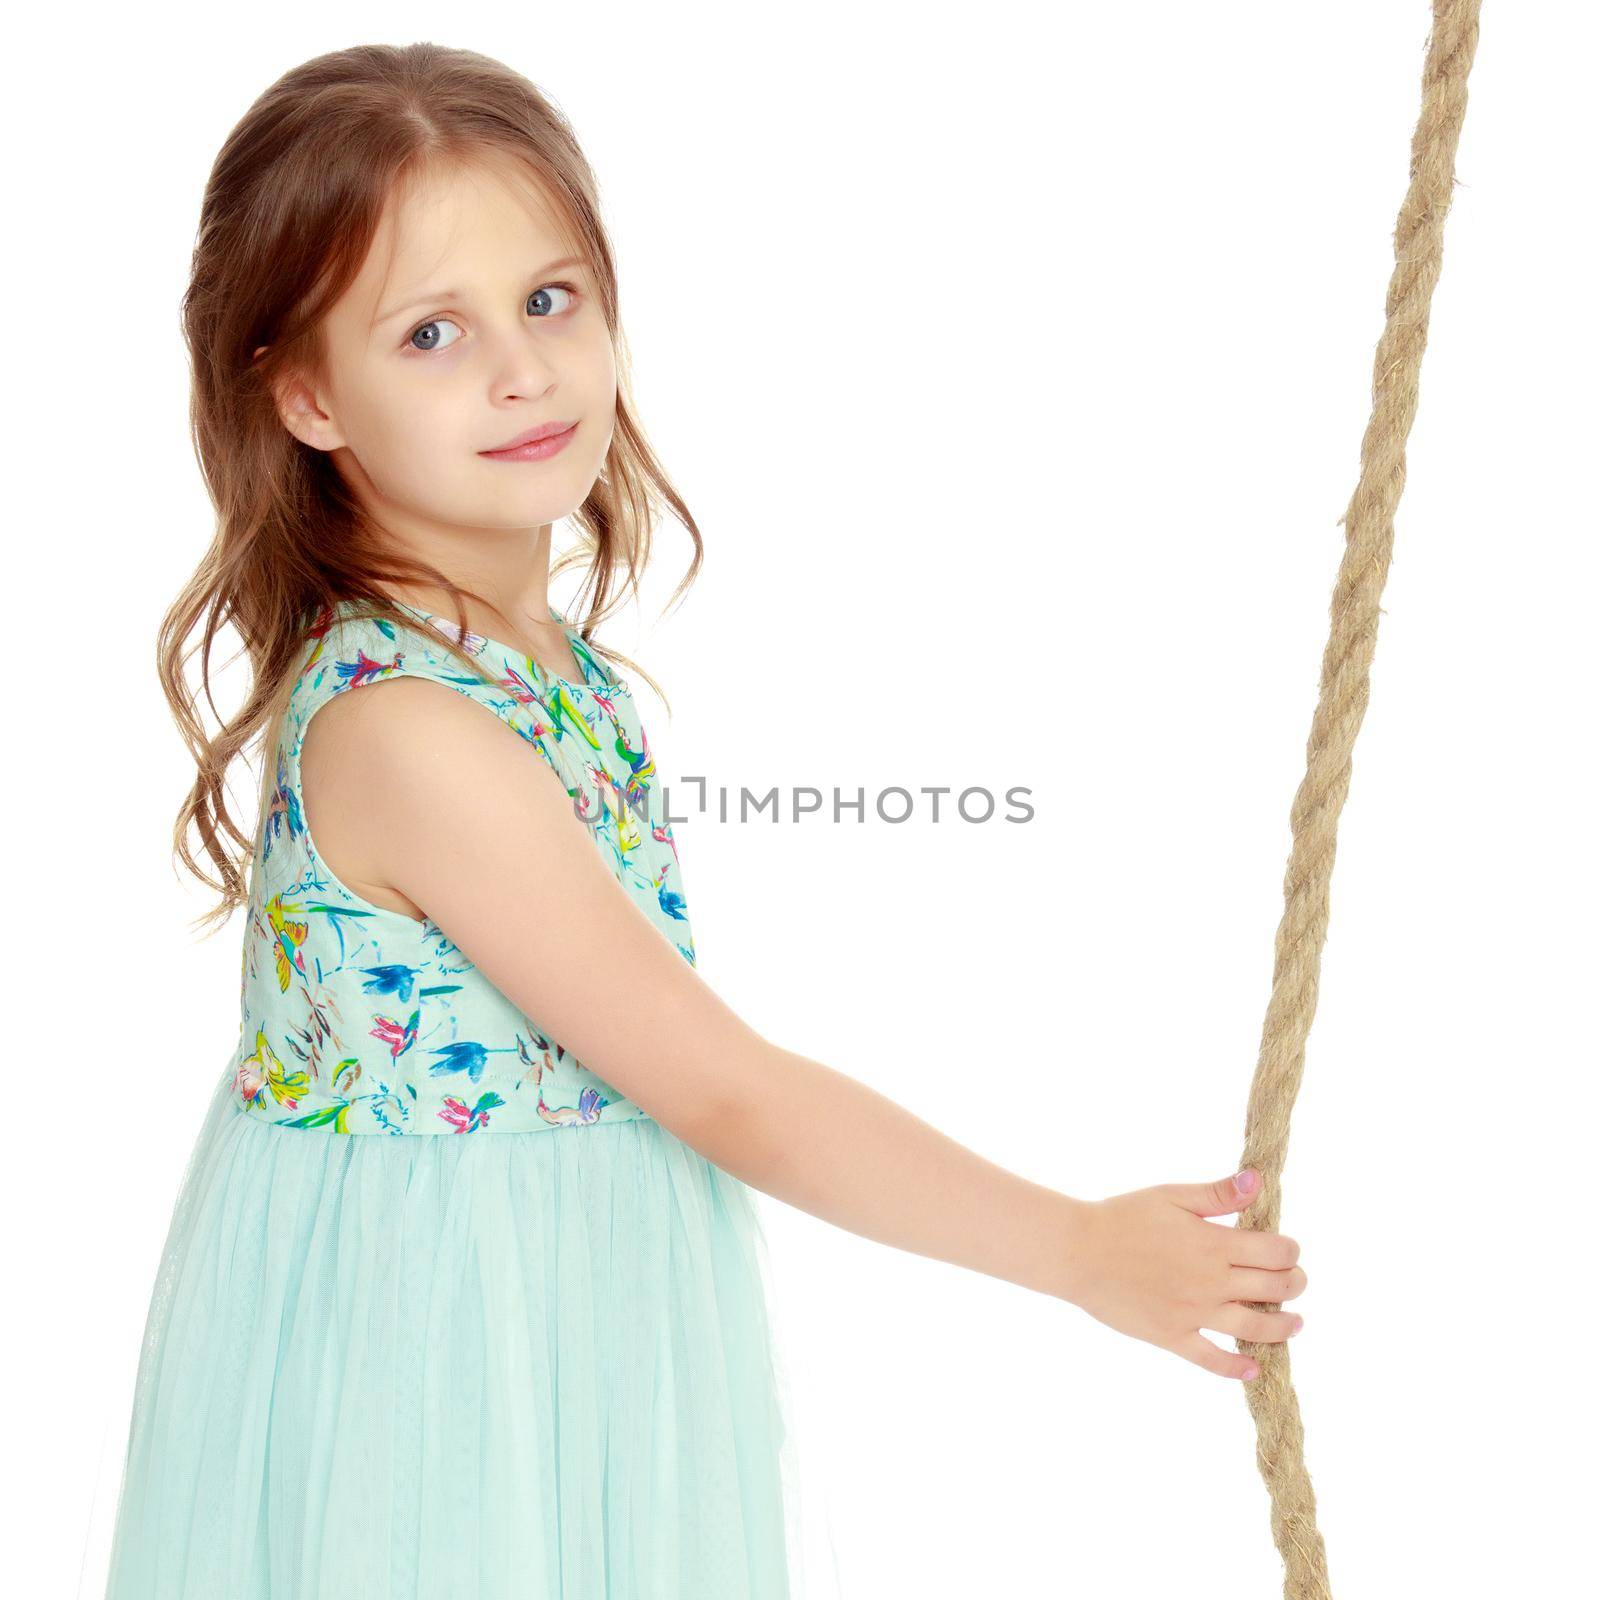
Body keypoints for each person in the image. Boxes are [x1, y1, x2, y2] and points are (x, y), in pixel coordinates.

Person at [103, 40, 1308, 1600]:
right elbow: (725, 1092)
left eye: (549, 301)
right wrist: (1078, 1248)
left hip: (568, 1333)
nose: (522, 370)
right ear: (309, 395)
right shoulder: (411, 731)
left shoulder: (551, 669)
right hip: (444, 1387)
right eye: (430, 333)